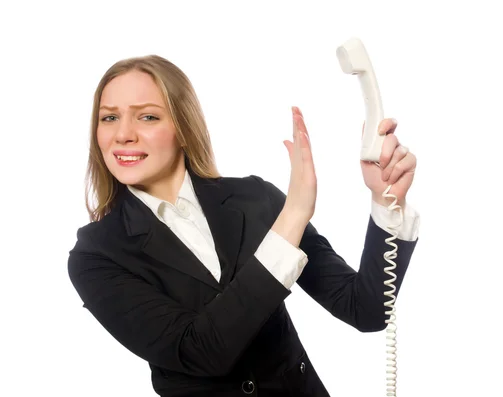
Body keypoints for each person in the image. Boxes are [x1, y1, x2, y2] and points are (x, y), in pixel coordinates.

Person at [67, 54, 420, 397]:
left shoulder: (254, 199)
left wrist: (387, 201)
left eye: (146, 117)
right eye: (109, 118)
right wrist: (294, 215)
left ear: (184, 128)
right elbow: (200, 351)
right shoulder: (96, 255)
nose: (123, 135)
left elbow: (365, 308)